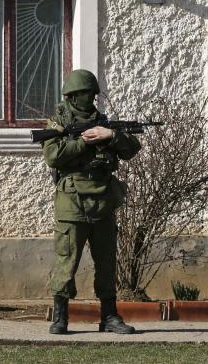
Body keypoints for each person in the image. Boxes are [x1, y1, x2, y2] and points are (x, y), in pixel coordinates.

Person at [42, 69, 140, 335]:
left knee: (106, 262)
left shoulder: (103, 122)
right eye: (82, 94)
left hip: (103, 201)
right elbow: (52, 155)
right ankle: (60, 316)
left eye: (90, 94)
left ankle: (109, 316)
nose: (87, 98)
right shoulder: (59, 122)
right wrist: (85, 142)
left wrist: (110, 136)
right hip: (71, 201)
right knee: (67, 260)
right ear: (72, 96)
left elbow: (131, 149)